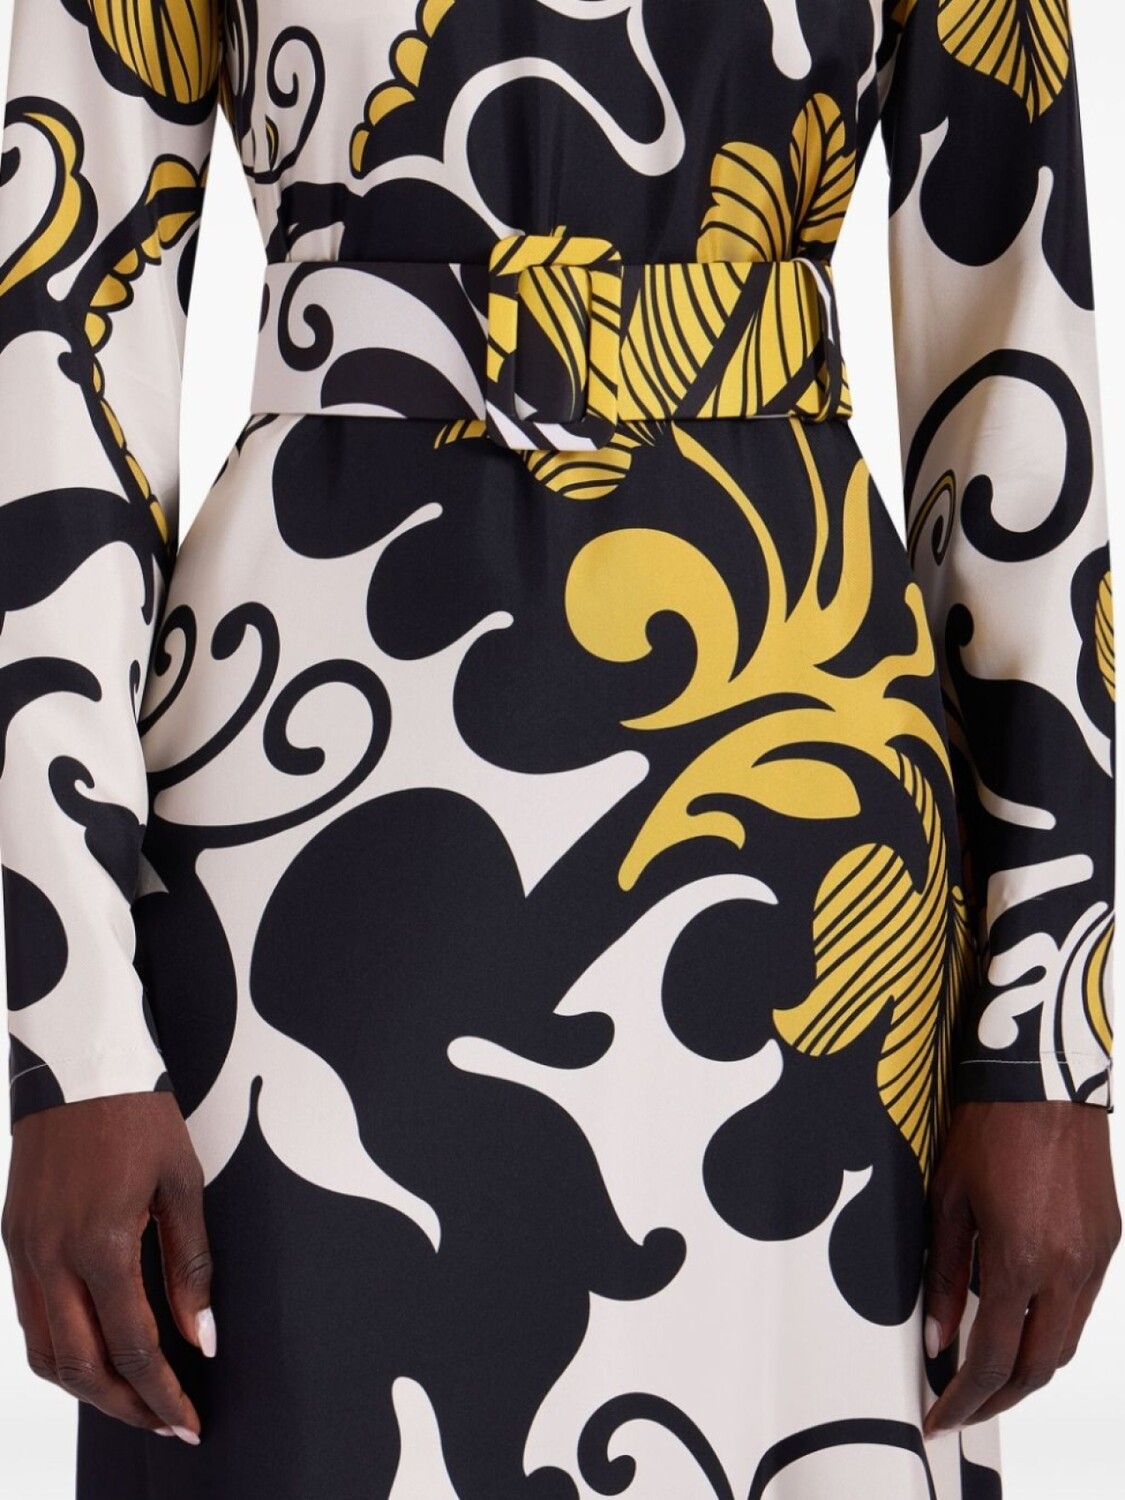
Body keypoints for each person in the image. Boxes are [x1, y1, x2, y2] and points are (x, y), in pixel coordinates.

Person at [0, 1, 1119, 1496]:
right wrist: (69, 1037)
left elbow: (1019, 398)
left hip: (809, 861)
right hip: (296, 853)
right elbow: (56, 350)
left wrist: (1047, 1036)